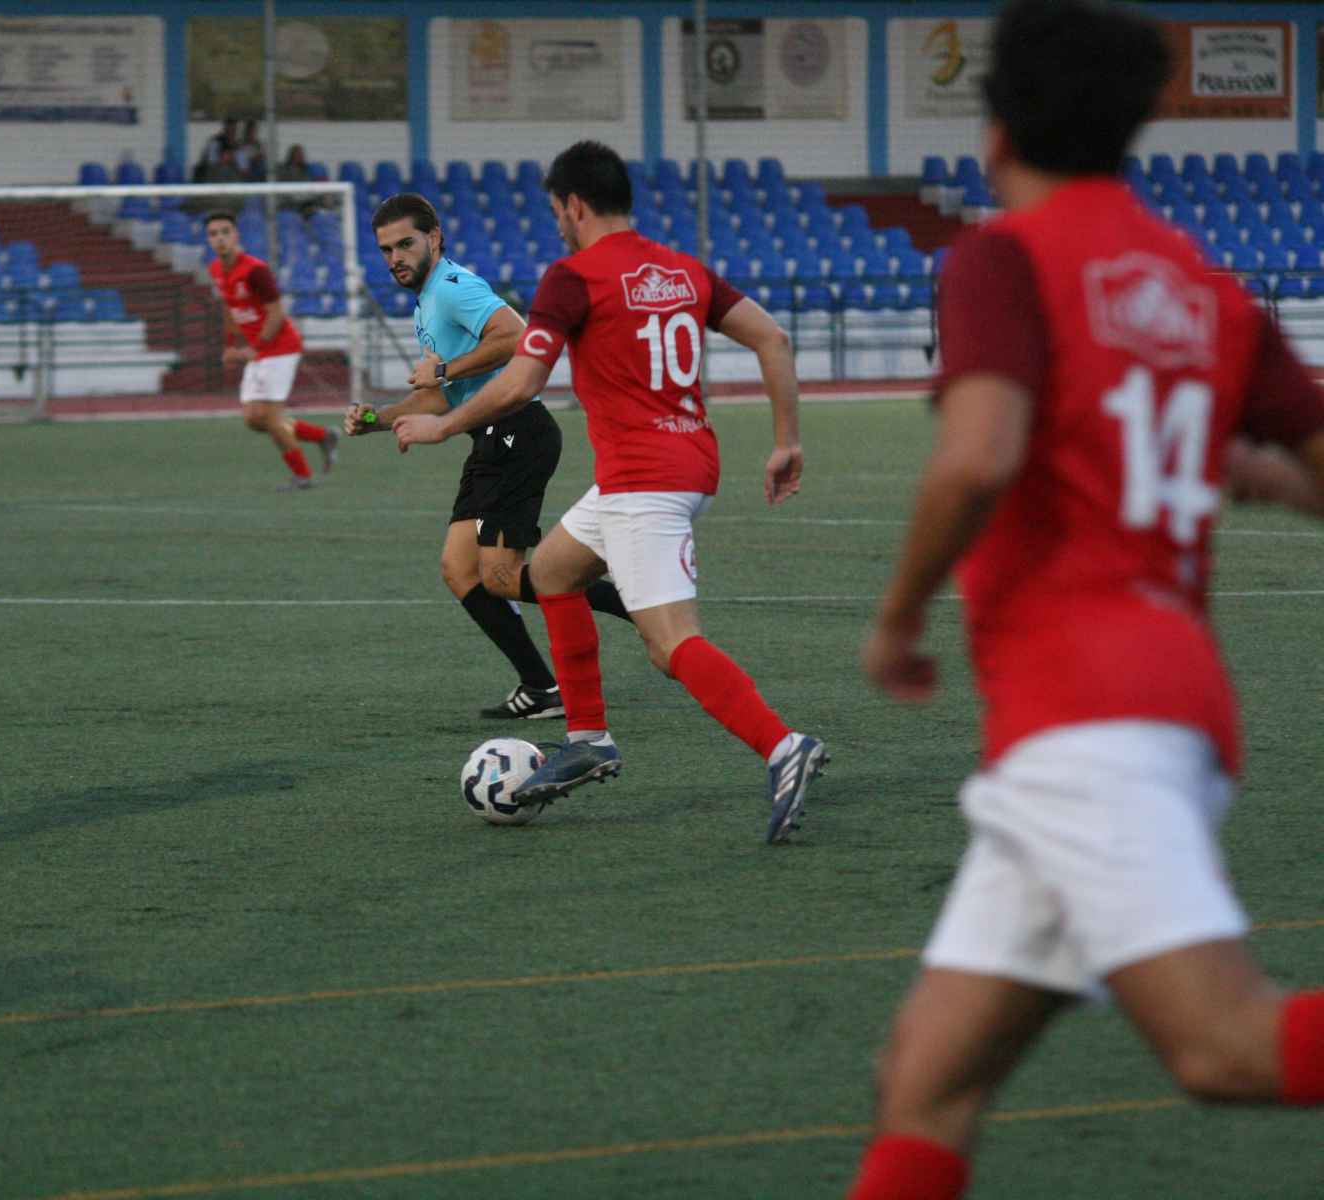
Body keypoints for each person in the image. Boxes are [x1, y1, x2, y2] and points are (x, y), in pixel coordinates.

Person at [848, 3, 1324, 1197]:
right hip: (1147, 708)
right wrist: (1249, 473)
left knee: (1226, 1049)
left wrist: (900, 617)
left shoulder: (1003, 257)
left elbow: (978, 455)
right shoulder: (1203, 286)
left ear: (996, 132)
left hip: (1086, 719)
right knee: (923, 1083)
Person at [394, 141, 827, 843]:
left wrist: (446, 424)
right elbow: (772, 339)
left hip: (642, 483)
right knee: (554, 572)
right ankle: (589, 737)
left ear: (573, 206)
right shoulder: (684, 269)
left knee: (669, 645)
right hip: (679, 465)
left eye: (555, 212)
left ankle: (783, 747)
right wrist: (786, 441)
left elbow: (524, 381)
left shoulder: (572, 276)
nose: (556, 225)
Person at [347, 193, 634, 721]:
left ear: (434, 238)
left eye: (405, 244)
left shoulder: (454, 288)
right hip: (493, 437)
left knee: (501, 577)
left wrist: (444, 371)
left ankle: (634, 603)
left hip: (516, 432)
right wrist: (379, 418)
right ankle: (540, 687)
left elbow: (517, 336)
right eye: (386, 250)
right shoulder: (428, 300)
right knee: (461, 570)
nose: (395, 258)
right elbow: (441, 395)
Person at [205, 210, 337, 491]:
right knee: (253, 419)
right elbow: (230, 308)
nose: (220, 238)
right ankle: (322, 436)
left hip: (281, 347)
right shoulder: (216, 270)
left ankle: (302, 476)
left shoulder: (255, 270)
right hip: (260, 350)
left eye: (225, 231)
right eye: (213, 234)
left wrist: (256, 347)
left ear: (236, 235)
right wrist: (230, 344)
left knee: (270, 417)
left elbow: (276, 313)